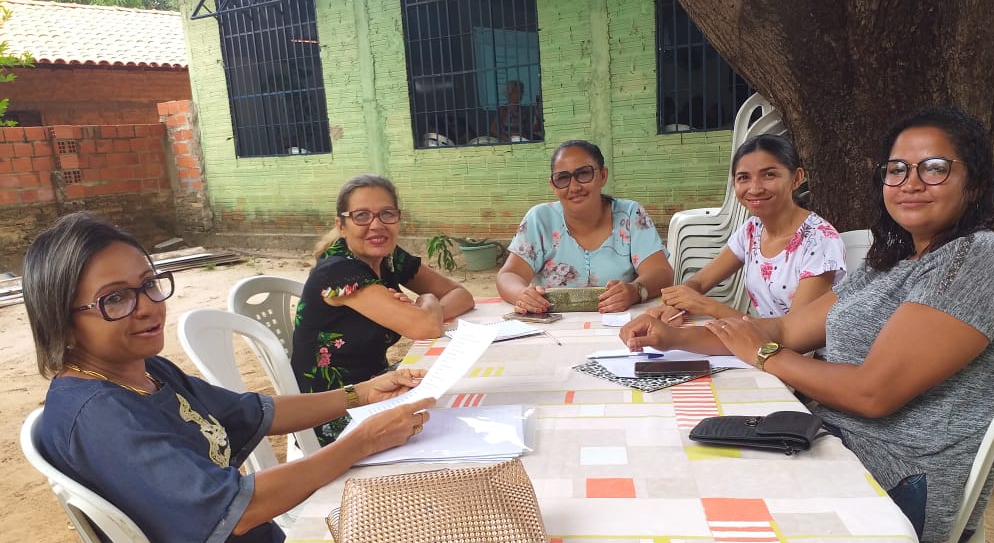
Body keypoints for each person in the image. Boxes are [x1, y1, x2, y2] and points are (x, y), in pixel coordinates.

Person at [22, 211, 434, 543]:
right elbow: (240, 509)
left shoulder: (143, 371)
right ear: (61, 320)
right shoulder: (99, 416)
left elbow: (251, 411)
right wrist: (361, 443)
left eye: (149, 284)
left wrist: (360, 394)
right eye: (115, 299)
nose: (148, 307)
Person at [620, 107, 994, 543]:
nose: (910, 182)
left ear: (974, 183)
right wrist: (672, 338)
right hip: (829, 440)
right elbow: (782, 327)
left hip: (904, 482)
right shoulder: (889, 261)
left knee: (703, 517)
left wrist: (766, 356)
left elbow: (872, 393)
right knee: (668, 465)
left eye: (935, 168)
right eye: (896, 169)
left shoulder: (981, 259)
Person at [292, 174, 474, 444]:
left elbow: (461, 295)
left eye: (386, 214)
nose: (376, 226)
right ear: (341, 226)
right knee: (456, 423)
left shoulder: (388, 257)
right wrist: (425, 306)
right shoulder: (338, 272)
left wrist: (422, 306)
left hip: (378, 387)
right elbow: (426, 328)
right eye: (361, 216)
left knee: (462, 387)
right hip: (335, 413)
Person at [656, 134, 846, 322]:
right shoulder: (752, 231)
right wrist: (676, 303)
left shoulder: (820, 240)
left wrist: (709, 306)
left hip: (808, 352)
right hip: (764, 345)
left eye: (769, 175)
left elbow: (794, 330)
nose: (754, 188)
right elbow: (700, 282)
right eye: (744, 178)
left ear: (796, 179)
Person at [497, 139, 674, 314]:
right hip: (554, 330)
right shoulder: (540, 219)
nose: (574, 187)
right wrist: (522, 294)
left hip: (618, 327)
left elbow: (661, 272)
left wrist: (635, 291)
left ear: (603, 176)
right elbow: (509, 275)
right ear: (553, 185)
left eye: (583, 174)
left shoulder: (630, 215)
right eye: (563, 178)